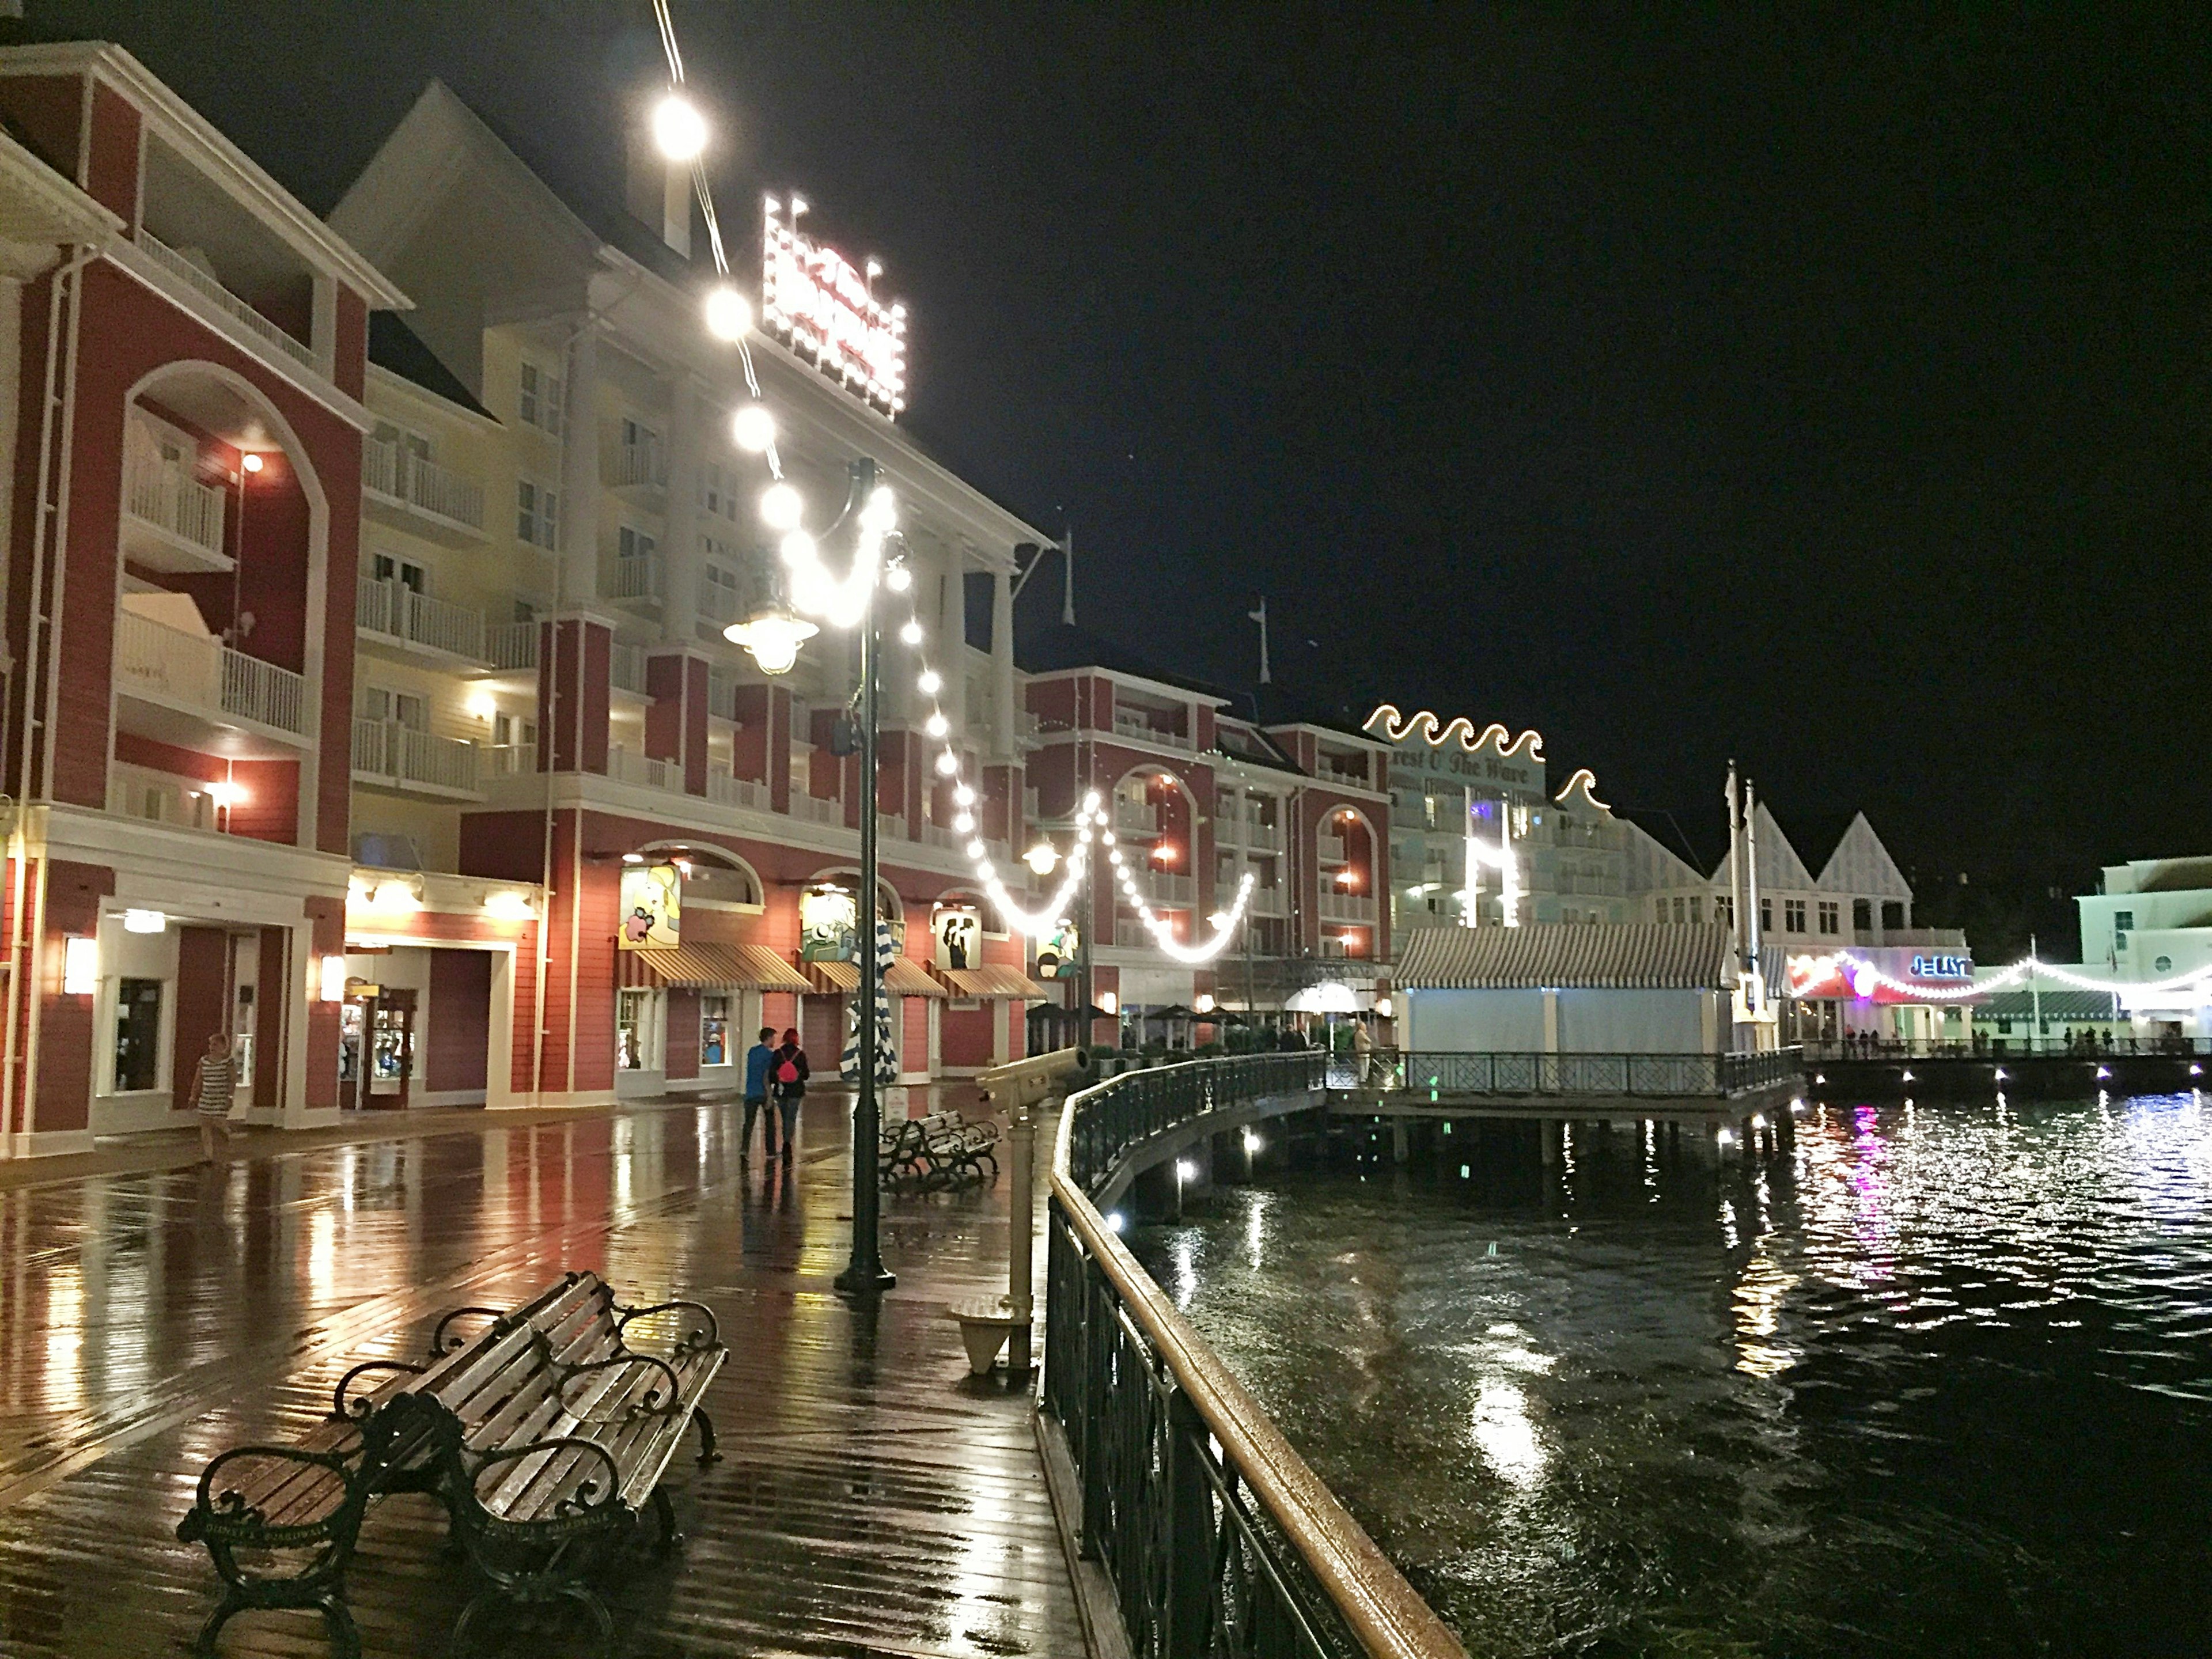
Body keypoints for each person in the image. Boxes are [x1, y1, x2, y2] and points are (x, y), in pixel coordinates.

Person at [190, 1031, 236, 1162]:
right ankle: (208, 1155)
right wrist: (194, 1096)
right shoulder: (204, 1061)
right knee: (205, 1124)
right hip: (206, 1097)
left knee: (218, 1120)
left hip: (221, 1097)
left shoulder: (228, 1061)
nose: (212, 1047)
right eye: (211, 1044)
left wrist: (230, 1096)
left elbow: (232, 1080)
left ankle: (228, 1135)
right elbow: (198, 1079)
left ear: (223, 1046)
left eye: (215, 1044)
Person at [768, 1027, 809, 1164]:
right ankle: (787, 1143)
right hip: (796, 1091)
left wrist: (780, 1078)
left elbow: (771, 1075)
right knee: (791, 1117)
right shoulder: (800, 1054)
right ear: (796, 1038)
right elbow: (806, 1075)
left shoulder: (778, 1054)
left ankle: (785, 1139)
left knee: (784, 1116)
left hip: (781, 1091)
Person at [740, 1026, 777, 1161]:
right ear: (769, 1038)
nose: (774, 1040)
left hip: (750, 1092)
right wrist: (770, 1096)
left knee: (748, 1123)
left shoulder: (752, 1052)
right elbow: (766, 1076)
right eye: (773, 1038)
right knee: (770, 1123)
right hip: (763, 1092)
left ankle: (744, 1149)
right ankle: (771, 1152)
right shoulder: (769, 1055)